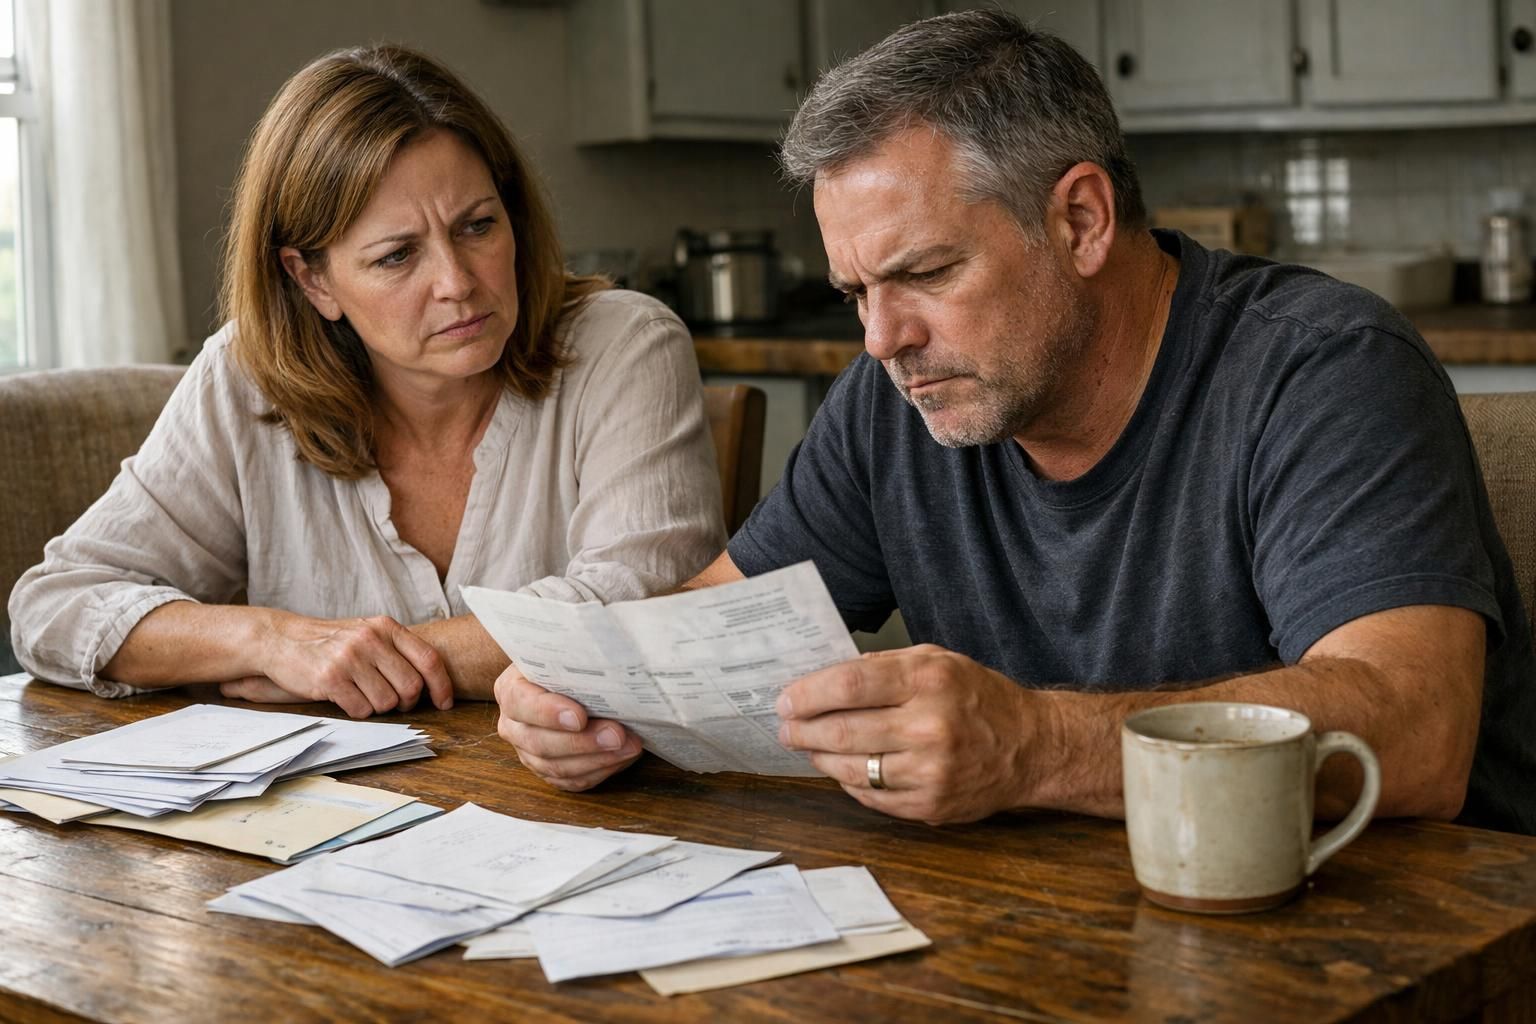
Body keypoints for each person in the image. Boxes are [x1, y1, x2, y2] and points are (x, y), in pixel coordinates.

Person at [495, 10, 1536, 834]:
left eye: (925, 272)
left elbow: (1417, 733)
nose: (882, 338)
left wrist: (1037, 744)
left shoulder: (1324, 369)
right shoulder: (893, 401)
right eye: (856, 291)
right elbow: (710, 622)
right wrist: (592, 694)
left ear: (1080, 219)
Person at [8, 45, 725, 719]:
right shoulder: (247, 375)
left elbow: (648, 613)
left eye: (477, 226)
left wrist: (354, 662)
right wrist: (273, 641)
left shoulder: (624, 344)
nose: (456, 282)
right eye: (396, 256)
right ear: (312, 279)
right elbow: (55, 607)